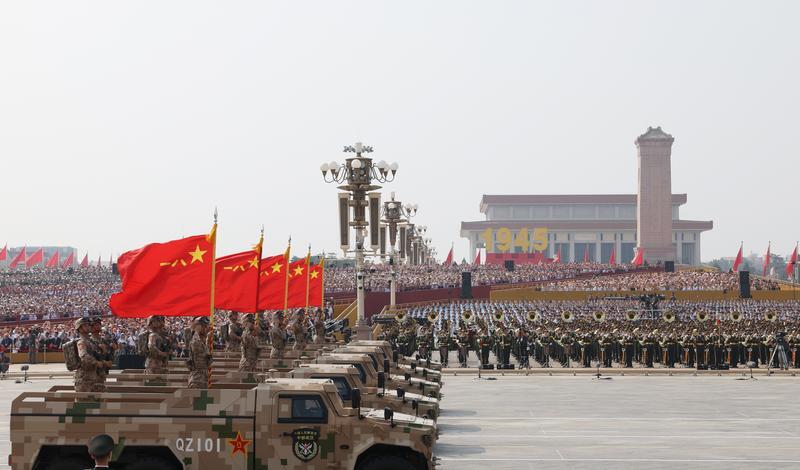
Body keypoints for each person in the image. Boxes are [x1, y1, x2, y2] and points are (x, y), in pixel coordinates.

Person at [74, 318, 108, 393]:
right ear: (79, 328)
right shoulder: (81, 342)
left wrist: (103, 352)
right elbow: (83, 356)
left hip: (95, 377)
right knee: (84, 400)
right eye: (85, 325)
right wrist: (96, 362)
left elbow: (98, 355)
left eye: (89, 325)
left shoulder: (92, 342)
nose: (88, 326)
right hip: (84, 379)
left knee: (99, 399)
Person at [187, 316, 211, 389]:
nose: (206, 328)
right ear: (198, 326)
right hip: (197, 379)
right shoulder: (196, 341)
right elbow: (204, 358)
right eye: (204, 326)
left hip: (203, 378)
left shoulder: (202, 340)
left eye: (206, 326)